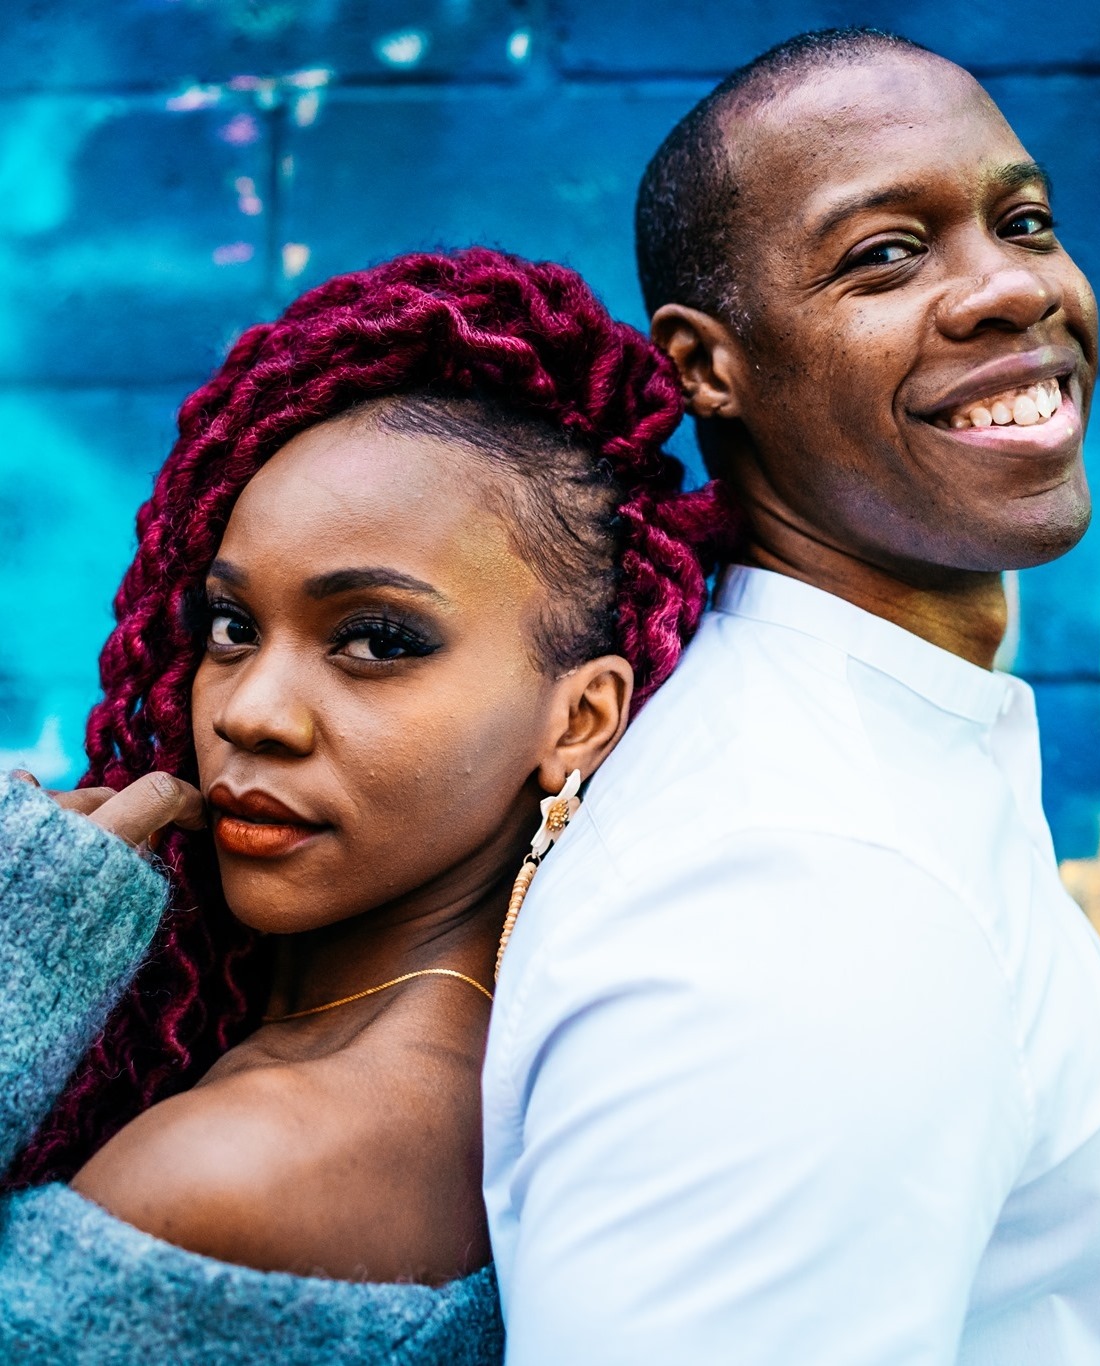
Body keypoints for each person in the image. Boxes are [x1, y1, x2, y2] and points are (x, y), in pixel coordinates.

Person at [484, 28, 1100, 1365]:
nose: (1010, 288)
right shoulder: (798, 888)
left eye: (1024, 222)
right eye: (885, 254)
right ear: (708, 367)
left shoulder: (857, 762)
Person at [0, 247, 728, 1361]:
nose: (251, 712)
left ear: (578, 719)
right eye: (232, 628)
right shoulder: (382, 1063)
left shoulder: (238, 1166)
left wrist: (20, 945)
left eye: (377, 641)